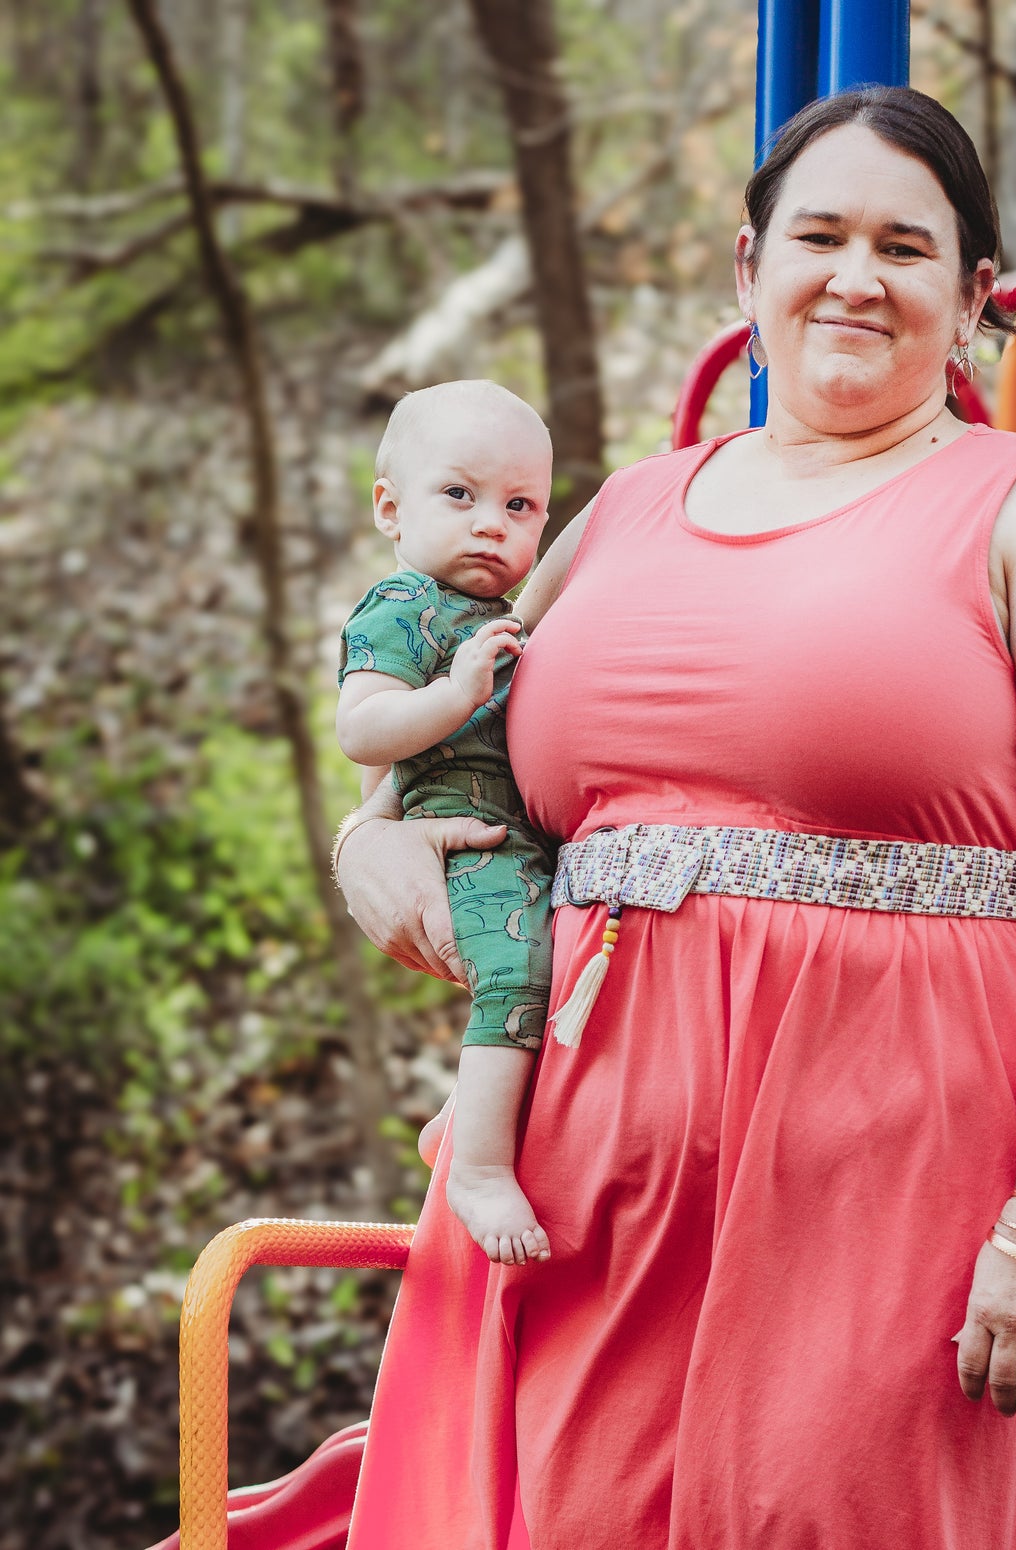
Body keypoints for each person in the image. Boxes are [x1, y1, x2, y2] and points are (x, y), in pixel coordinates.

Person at [335, 87, 1016, 1550]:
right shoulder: (620, 509)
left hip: (906, 1190)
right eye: (817, 234)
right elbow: (430, 749)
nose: (854, 276)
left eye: (904, 244)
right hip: (588, 1188)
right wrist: (367, 847)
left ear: (973, 289)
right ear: (749, 267)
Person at [336, 379, 555, 1267]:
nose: (490, 524)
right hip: (464, 836)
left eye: (519, 506)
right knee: (519, 969)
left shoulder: (501, 614)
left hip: (527, 837)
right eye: (459, 496)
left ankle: (471, 1112)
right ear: (391, 507)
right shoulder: (400, 607)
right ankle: (480, 1168)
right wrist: (454, 692)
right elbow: (362, 730)